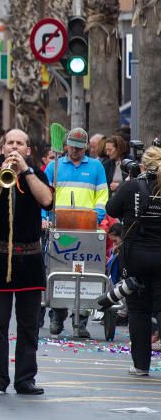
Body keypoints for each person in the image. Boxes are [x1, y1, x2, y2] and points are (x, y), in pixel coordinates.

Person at [0, 129, 53, 395]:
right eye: (9, 142)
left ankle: (25, 378)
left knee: (28, 324)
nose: (14, 146)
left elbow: (47, 200)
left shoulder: (38, 175)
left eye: (20, 143)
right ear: (1, 148)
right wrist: (1, 178)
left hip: (29, 258)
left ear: (28, 150)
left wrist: (26, 172)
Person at [43, 127, 107, 337]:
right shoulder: (54, 166)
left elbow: (102, 196)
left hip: (86, 229)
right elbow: (44, 196)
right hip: (60, 229)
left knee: (85, 272)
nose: (76, 151)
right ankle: (57, 314)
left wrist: (95, 217)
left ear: (86, 147)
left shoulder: (96, 167)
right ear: (66, 144)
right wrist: (44, 218)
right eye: (72, 146)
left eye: (80, 148)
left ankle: (81, 318)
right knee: (59, 268)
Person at [106, 147, 161, 376]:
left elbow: (111, 209)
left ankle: (141, 366)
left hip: (136, 256)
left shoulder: (132, 186)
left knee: (139, 311)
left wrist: (129, 182)